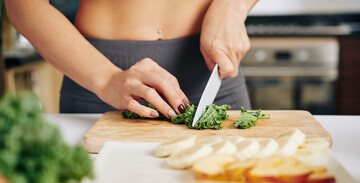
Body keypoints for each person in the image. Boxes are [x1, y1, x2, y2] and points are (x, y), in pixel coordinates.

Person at [6, 0, 257, 118]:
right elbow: (22, 5)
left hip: (213, 78)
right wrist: (107, 80)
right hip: (99, 84)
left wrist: (233, 7)